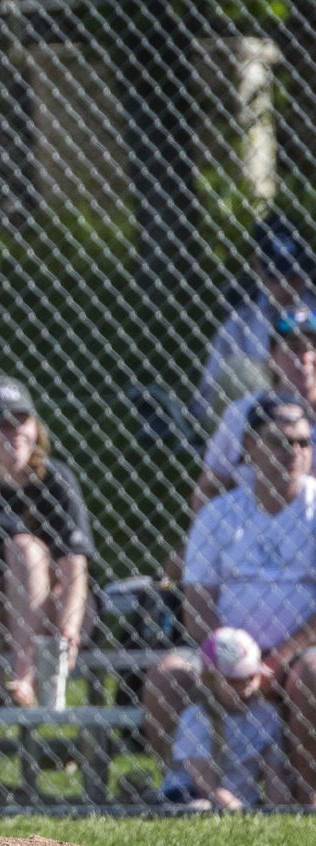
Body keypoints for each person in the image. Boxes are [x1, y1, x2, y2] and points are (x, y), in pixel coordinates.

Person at [142, 394, 316, 805]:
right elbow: (197, 600)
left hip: (300, 654)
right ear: (250, 447)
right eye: (278, 441)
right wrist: (222, 664)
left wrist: (274, 662)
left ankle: (309, 802)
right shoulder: (219, 514)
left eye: (302, 442)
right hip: (224, 655)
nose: (292, 452)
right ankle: (188, 788)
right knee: (167, 677)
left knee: (312, 674)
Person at [0, 376, 95, 707]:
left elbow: (75, 566)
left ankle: (22, 681)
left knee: (23, 547)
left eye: (23, 421)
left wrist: (68, 631)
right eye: (4, 425)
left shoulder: (55, 480)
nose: (16, 433)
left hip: (53, 607)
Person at [194, 214, 316, 429]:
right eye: (276, 276)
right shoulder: (241, 320)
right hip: (260, 424)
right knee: (238, 371)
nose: (286, 286)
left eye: (293, 275)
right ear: (257, 265)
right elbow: (207, 395)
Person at [190, 308, 316, 513]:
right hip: (254, 531)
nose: (306, 356)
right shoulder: (243, 412)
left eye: (313, 347)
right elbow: (210, 487)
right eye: (294, 347)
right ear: (272, 357)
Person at [157, 627, 293, 809]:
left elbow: (274, 777)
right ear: (210, 680)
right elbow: (206, 785)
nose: (244, 687)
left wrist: (276, 813)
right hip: (190, 794)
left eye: (250, 677)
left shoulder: (265, 715)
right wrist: (243, 815)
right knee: (200, 807)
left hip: (243, 801)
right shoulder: (197, 718)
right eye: (233, 681)